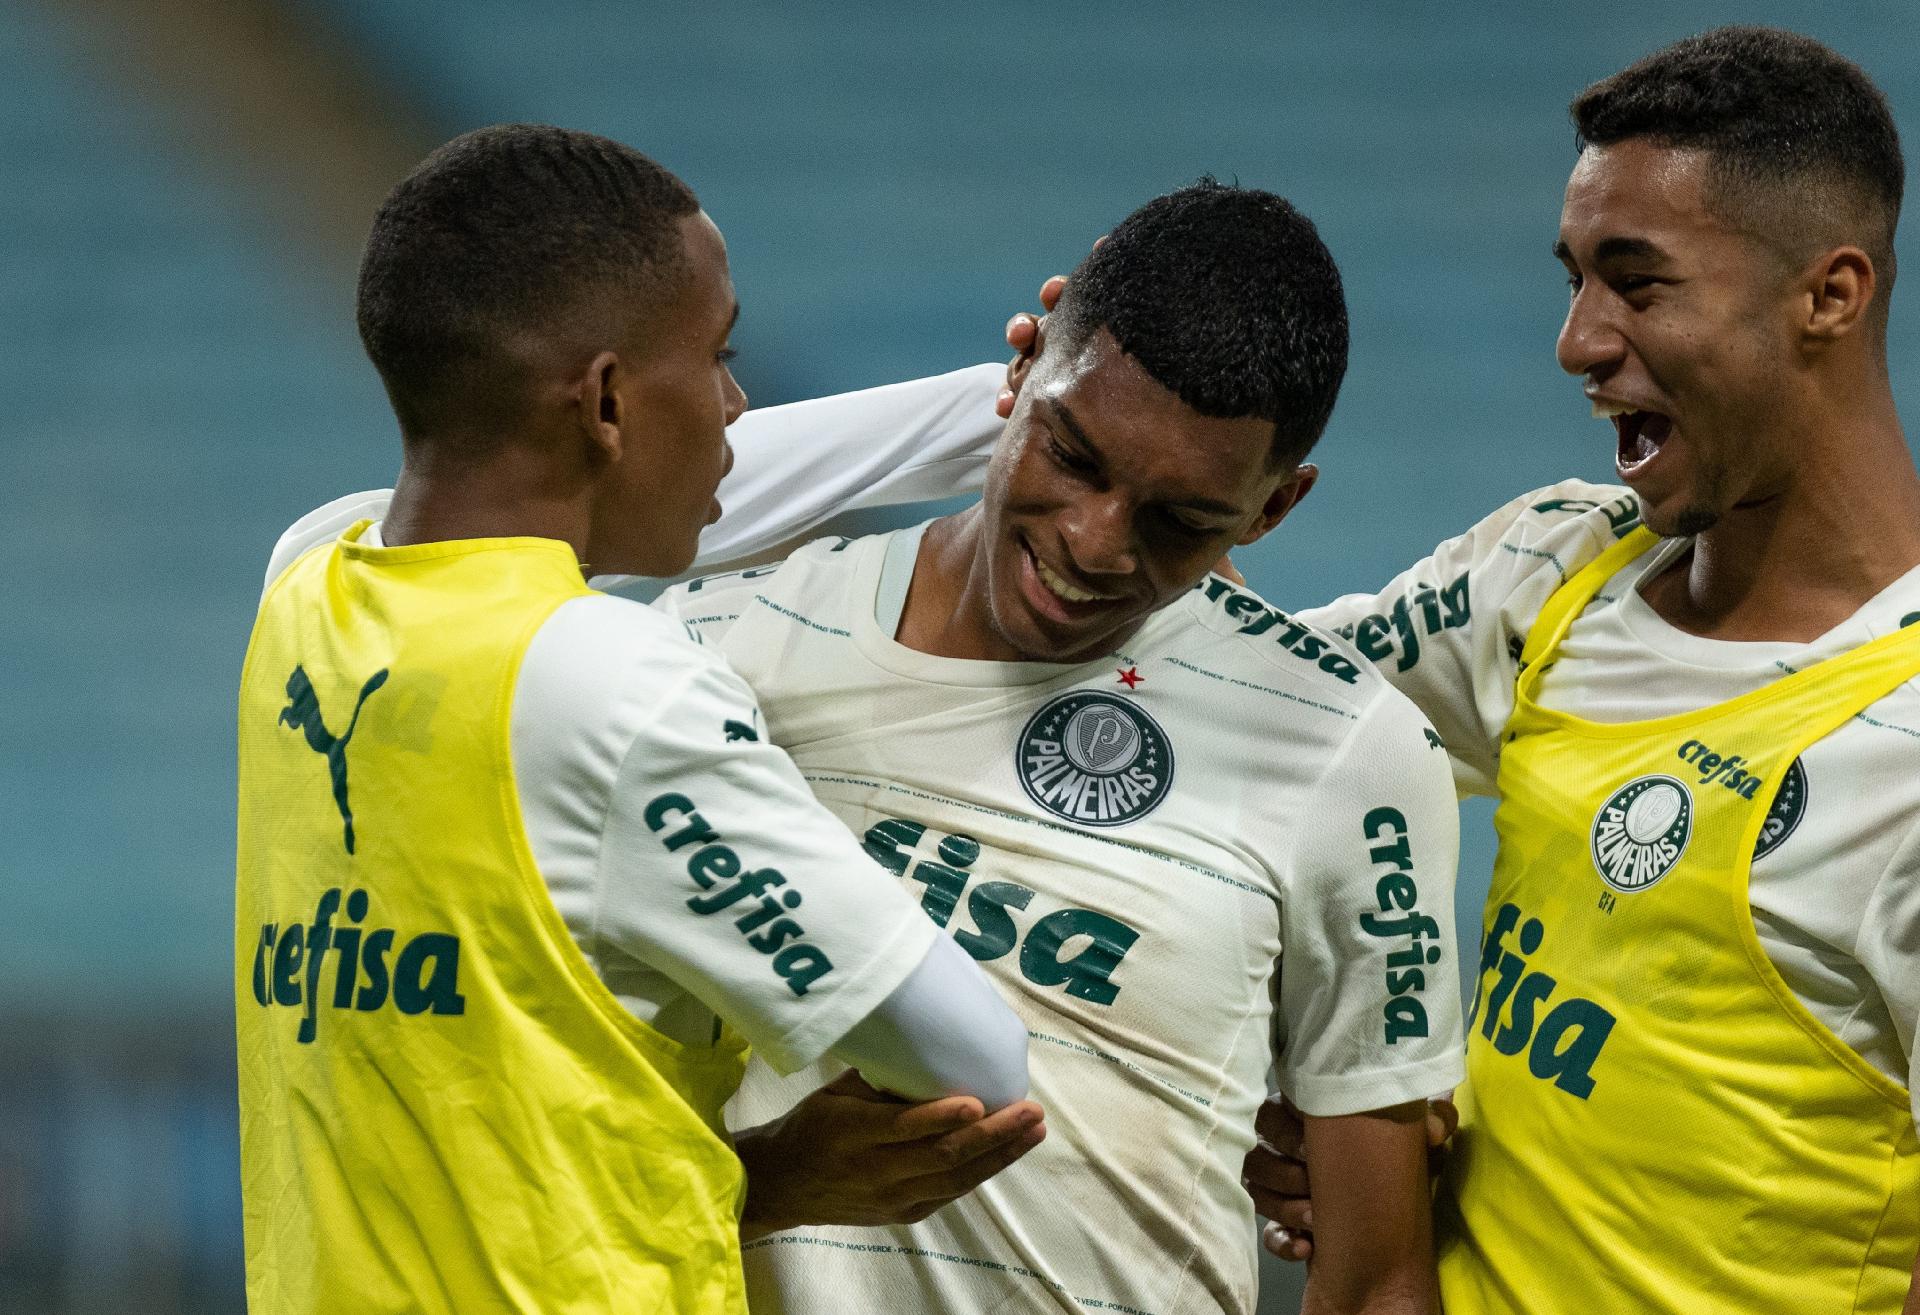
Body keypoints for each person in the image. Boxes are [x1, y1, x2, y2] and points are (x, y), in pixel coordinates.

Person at [774, 23, 1920, 1315]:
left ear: (1830, 294)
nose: (1578, 341)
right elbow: (1249, 692)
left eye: (1637, 283)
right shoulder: (1558, 573)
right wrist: (1091, 400)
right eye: (1574, 280)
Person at [237, 124, 1043, 1315]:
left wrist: (1011, 410)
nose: (735, 401)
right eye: (717, 357)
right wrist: (756, 1176)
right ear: (607, 398)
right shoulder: (617, 688)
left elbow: (653, 486)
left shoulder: (304, 581)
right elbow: (975, 1066)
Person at [657, 180, 1464, 1315]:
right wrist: (763, 1185)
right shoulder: (714, 647)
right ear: (1025, 363)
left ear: (1276, 507)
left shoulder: (1347, 750)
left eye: (1180, 520)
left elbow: (1379, 1281)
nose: (1092, 543)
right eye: (1073, 456)